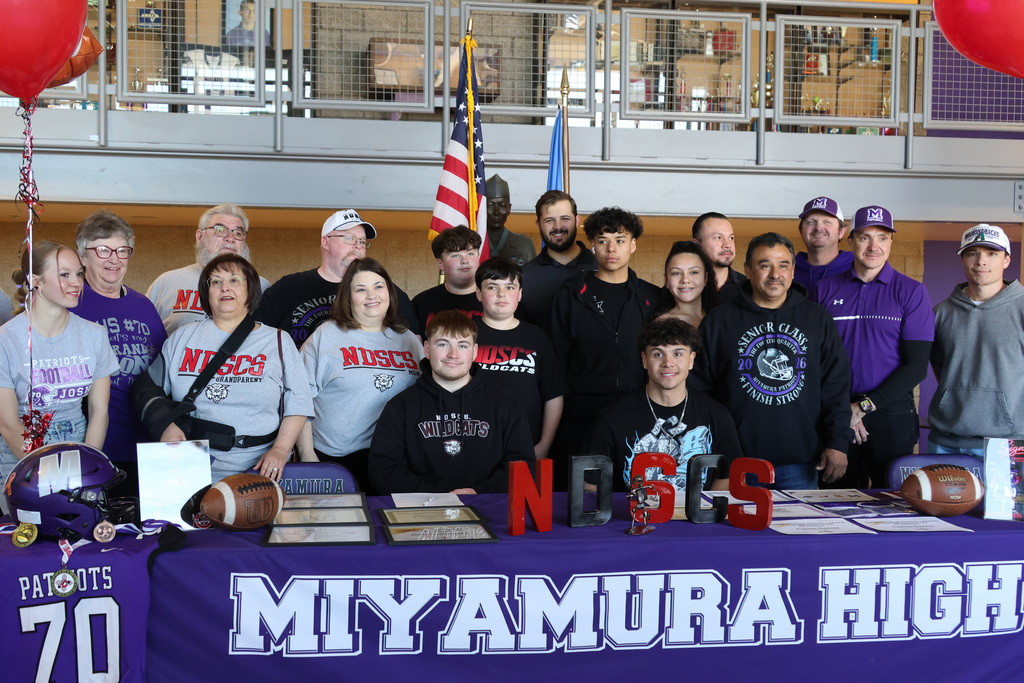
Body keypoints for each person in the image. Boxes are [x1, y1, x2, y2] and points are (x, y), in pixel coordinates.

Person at [691, 232, 853, 490]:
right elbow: (699, 389)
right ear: (748, 270)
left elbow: (836, 386)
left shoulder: (817, 319)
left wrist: (838, 442)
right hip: (735, 463)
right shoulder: (719, 321)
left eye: (783, 265)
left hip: (799, 464)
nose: (775, 274)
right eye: (765, 265)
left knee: (799, 530)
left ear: (792, 272)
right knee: (732, 531)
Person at [148, 254, 313, 483]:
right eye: (216, 281)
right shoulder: (182, 338)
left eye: (235, 280)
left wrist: (281, 450)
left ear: (251, 290)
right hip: (188, 465)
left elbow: (299, 401)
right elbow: (148, 390)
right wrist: (164, 424)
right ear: (207, 292)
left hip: (257, 467)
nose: (225, 287)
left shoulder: (277, 340)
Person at [813, 206, 934, 487]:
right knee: (835, 502)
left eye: (882, 237)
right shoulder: (824, 289)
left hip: (891, 412)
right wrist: (845, 409)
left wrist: (863, 407)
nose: (873, 246)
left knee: (894, 503)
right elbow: (815, 358)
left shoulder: (912, 292)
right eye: (865, 237)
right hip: (835, 409)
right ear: (851, 240)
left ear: (891, 242)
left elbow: (916, 366)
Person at [544, 206, 660, 477]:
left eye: (619, 240)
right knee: (579, 500)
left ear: (632, 245)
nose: (611, 249)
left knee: (632, 497)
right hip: (580, 418)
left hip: (638, 415)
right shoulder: (571, 295)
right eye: (602, 240)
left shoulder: (651, 297)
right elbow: (553, 365)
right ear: (593, 246)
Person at [368, 310, 535, 494]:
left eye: (463, 346)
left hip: (489, 509)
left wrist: (479, 493)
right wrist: (438, 499)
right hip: (421, 511)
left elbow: (524, 467)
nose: (453, 354)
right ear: (427, 349)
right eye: (442, 344)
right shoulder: (401, 407)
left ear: (475, 352)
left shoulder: (506, 405)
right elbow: (383, 470)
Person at [298, 258, 423, 490]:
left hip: (395, 459)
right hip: (336, 459)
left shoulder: (408, 339)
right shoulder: (326, 335)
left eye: (378, 286)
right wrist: (306, 454)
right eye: (360, 289)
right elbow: (299, 398)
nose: (371, 295)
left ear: (389, 292)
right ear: (348, 297)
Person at [0, 242, 118, 488]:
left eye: (78, 274)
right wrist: (47, 474)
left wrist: (87, 467)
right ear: (36, 281)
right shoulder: (6, 339)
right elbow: (8, 422)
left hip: (77, 443)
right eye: (64, 274)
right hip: (21, 452)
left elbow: (99, 411)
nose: (76, 283)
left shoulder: (94, 335)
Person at [73, 210, 168, 495]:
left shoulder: (144, 305)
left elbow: (162, 370)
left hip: (147, 445)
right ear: (82, 256)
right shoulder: (71, 304)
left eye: (122, 250)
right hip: (96, 448)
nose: (114, 259)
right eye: (103, 250)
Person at [589, 318, 741, 494]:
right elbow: (590, 484)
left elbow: (728, 477)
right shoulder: (612, 417)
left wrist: (702, 510)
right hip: (633, 518)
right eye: (658, 354)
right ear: (644, 360)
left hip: (695, 520)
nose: (668, 363)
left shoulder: (717, 415)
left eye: (678, 354)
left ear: (691, 360)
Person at [255, 209, 419, 346]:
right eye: (349, 238)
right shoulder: (288, 287)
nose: (357, 246)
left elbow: (413, 346)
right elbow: (254, 339)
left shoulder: (385, 293)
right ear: (325, 242)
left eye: (362, 241)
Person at [929, 224, 1024, 457]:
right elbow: (942, 368)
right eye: (973, 253)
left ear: (1006, 260)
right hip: (946, 440)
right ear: (963, 259)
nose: (981, 261)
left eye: (992, 253)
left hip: (1009, 444)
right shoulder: (939, 313)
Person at [473, 257, 565, 460]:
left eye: (510, 287)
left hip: (525, 446)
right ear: (479, 293)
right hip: (473, 445)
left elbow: (554, 396)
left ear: (520, 294)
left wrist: (544, 444)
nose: (501, 294)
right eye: (492, 287)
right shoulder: (465, 335)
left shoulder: (537, 337)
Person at [146, 202, 270, 335]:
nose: (230, 238)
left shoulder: (261, 286)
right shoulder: (167, 283)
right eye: (220, 230)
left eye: (238, 233)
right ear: (200, 236)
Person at [519, 190, 596, 325]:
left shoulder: (600, 268)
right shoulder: (522, 277)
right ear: (538, 224)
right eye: (549, 220)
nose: (558, 227)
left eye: (565, 219)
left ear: (577, 220)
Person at [411, 225, 483, 326]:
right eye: (455, 255)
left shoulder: (495, 299)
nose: (465, 261)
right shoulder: (421, 303)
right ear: (440, 263)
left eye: (470, 254)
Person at [794, 196, 854, 292]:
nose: (818, 227)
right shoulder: (787, 270)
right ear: (801, 230)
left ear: (841, 231)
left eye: (827, 222)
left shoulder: (857, 268)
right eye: (811, 222)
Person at [654, 240, 717, 326]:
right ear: (666, 281)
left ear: (705, 278)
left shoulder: (719, 316)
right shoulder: (662, 324)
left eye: (693, 272)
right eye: (676, 273)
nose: (685, 280)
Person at [691, 212, 746, 303]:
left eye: (731, 238)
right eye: (718, 237)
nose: (727, 245)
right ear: (696, 244)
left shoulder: (749, 289)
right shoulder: (682, 288)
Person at [484, 175, 537, 267]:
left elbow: (533, 278)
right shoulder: (473, 244)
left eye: (502, 205)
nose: (496, 212)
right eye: (490, 205)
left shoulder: (524, 244)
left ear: (509, 208)